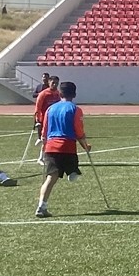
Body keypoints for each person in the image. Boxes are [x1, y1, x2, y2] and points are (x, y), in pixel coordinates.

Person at [35, 81, 91, 218]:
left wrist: (44, 144)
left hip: (51, 146)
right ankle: (71, 172)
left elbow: (45, 130)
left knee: (50, 178)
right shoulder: (75, 109)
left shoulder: (50, 109)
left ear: (60, 93)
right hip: (67, 147)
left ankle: (41, 206)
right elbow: (78, 130)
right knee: (74, 170)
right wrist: (85, 145)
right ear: (75, 94)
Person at [33, 75, 61, 163]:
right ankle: (41, 158)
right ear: (49, 83)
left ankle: (52, 156)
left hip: (55, 120)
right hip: (45, 120)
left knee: (54, 139)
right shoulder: (43, 94)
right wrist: (38, 119)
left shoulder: (58, 94)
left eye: (57, 83)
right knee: (45, 139)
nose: (55, 85)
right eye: (53, 83)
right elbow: (37, 107)